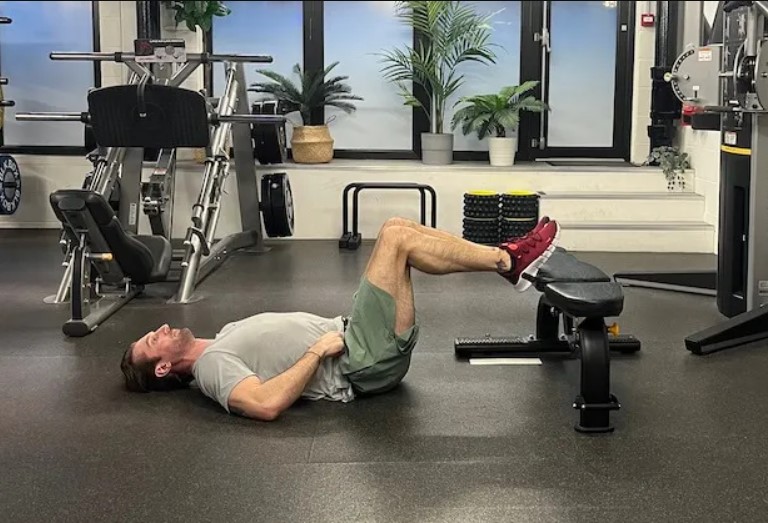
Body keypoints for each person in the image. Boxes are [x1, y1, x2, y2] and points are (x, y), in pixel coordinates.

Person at [121, 216, 560, 421]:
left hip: (357, 338)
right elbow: (264, 404)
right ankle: (508, 260)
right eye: (151, 341)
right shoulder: (211, 368)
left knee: (396, 230)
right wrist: (316, 351)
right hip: (360, 361)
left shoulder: (222, 338)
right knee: (395, 238)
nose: (159, 329)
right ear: (162, 367)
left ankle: (508, 258)